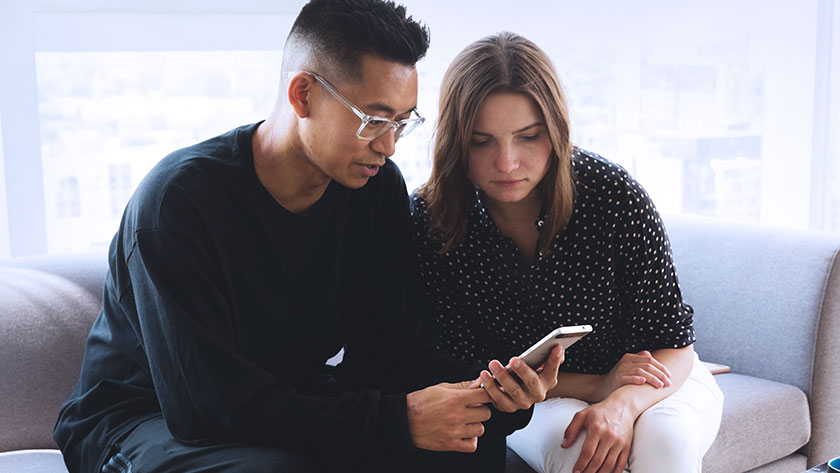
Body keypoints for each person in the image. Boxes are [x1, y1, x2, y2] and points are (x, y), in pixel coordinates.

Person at [53, 5, 562, 473]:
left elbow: (391, 354)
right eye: (374, 120)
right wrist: (395, 421)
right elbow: (205, 409)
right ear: (304, 95)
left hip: (285, 400)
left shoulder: (373, 188)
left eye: (402, 123)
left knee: (465, 451)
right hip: (144, 417)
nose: (387, 145)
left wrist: (489, 393)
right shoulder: (178, 204)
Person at [411, 32, 724, 473]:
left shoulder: (613, 197)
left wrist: (620, 404)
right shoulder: (431, 222)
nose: (507, 163)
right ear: (455, 141)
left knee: (665, 446)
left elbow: (674, 345)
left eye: (528, 137)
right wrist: (598, 387)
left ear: (555, 131)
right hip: (535, 400)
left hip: (655, 383)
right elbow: (459, 369)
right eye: (482, 141)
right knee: (582, 451)